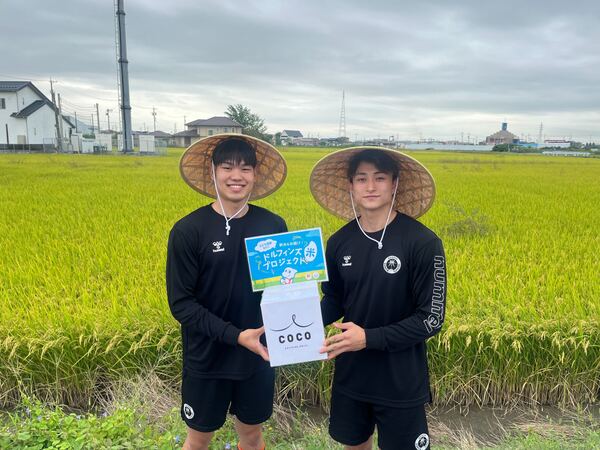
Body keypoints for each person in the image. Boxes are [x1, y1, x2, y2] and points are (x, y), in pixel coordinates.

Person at [310, 148, 446, 450]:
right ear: (350, 185)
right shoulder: (338, 242)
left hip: (400, 379)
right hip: (352, 375)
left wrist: (368, 338)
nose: (370, 186)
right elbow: (334, 299)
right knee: (355, 445)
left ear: (394, 183)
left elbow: (432, 318)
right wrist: (291, 325)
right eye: (361, 179)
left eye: (380, 178)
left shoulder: (422, 242)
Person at [167, 134, 287, 450]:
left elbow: (285, 291)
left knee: (252, 435)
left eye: (245, 168)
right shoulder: (189, 230)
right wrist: (236, 336)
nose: (237, 176)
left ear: (255, 175)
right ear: (213, 172)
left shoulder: (273, 226)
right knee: (198, 440)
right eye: (227, 167)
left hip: (257, 355)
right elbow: (182, 304)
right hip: (206, 358)